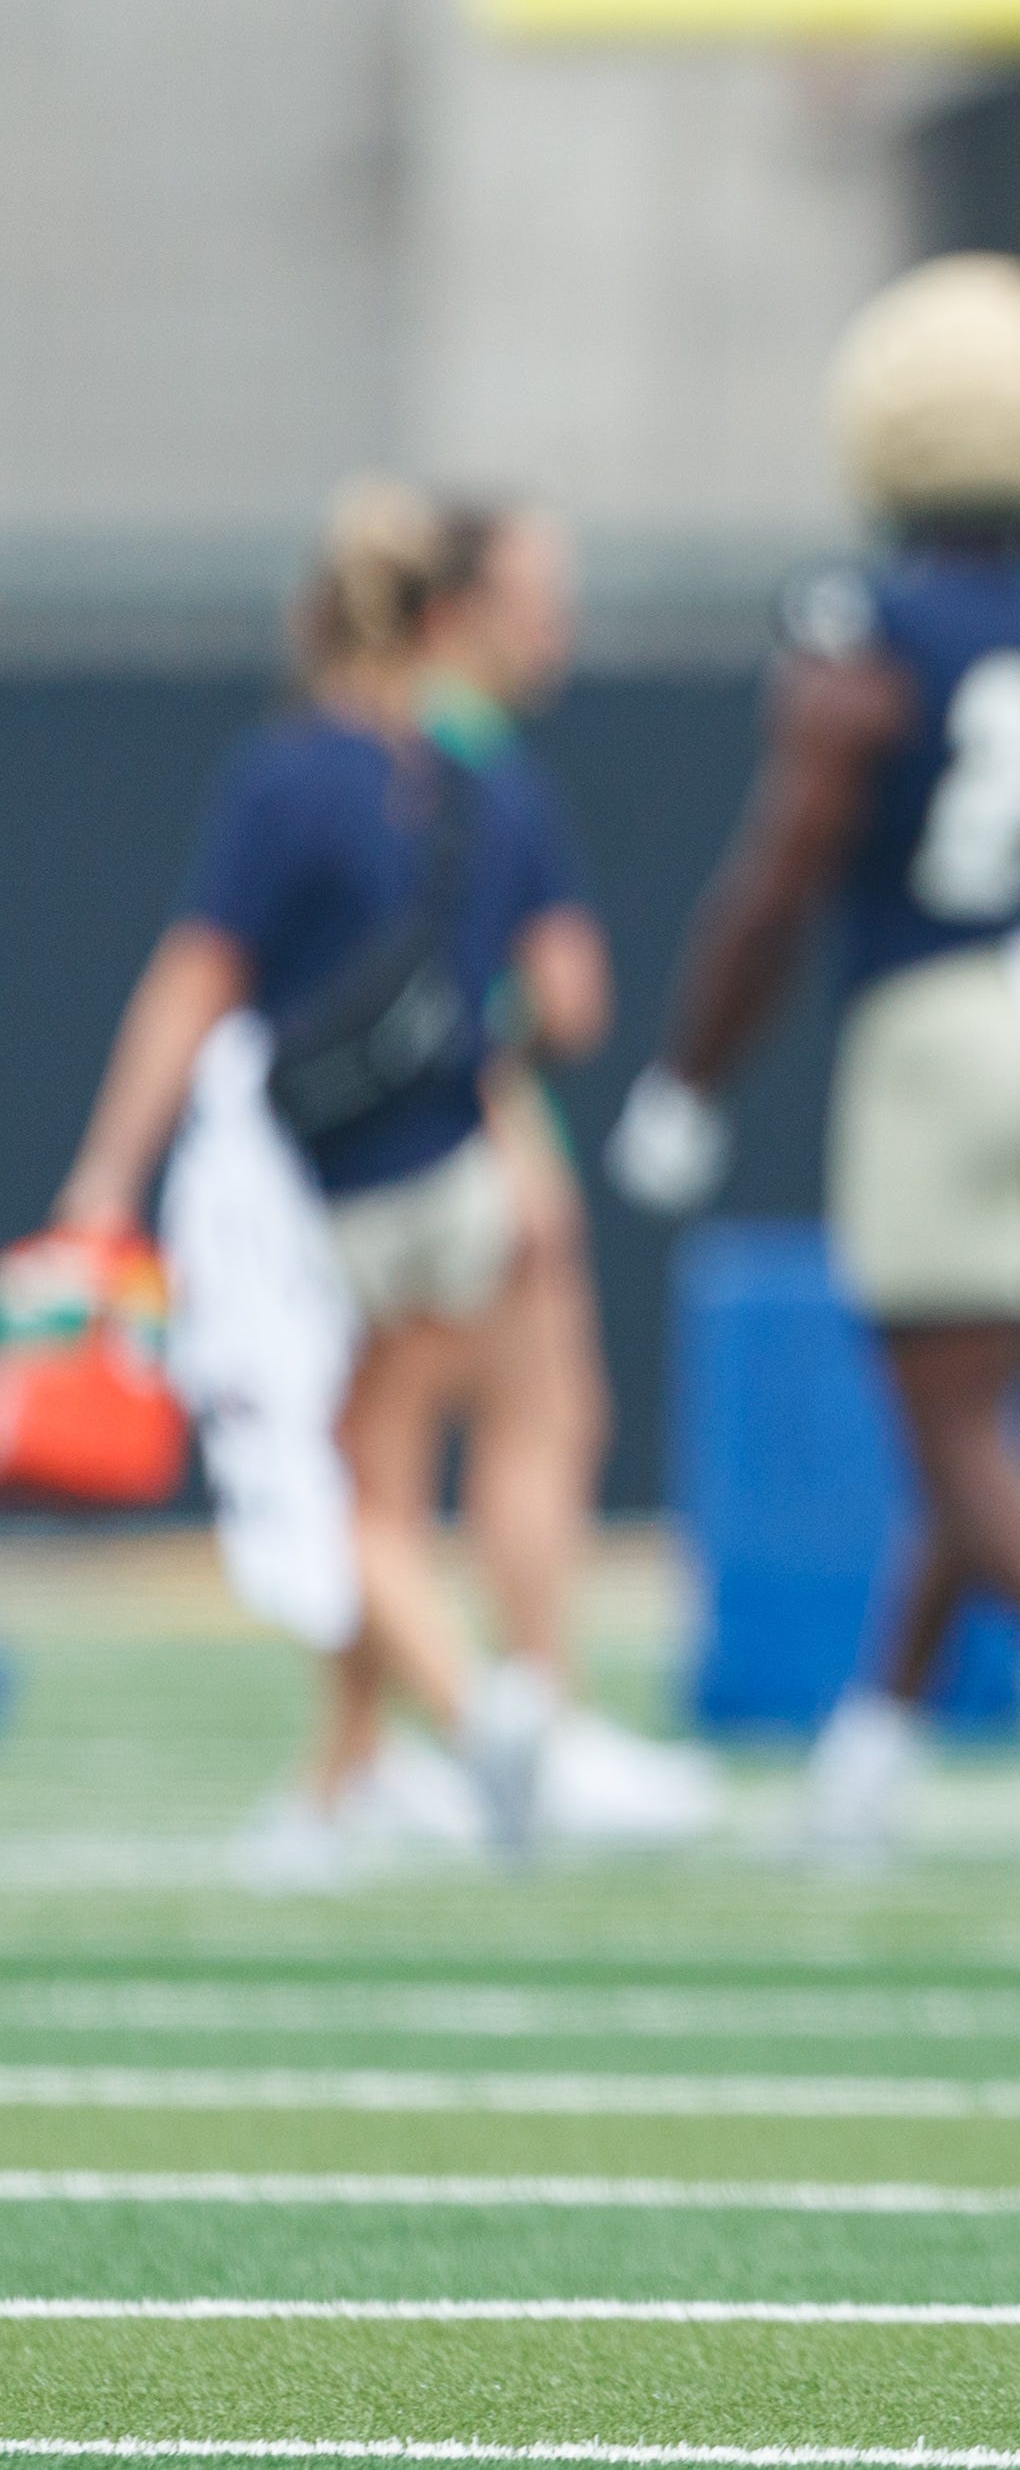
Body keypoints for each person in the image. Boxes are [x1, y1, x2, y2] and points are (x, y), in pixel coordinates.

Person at [601, 253, 1020, 1858]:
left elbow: (784, 864)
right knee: (983, 1418)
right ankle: (869, 1758)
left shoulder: (863, 620)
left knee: (950, 1428)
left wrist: (690, 1071)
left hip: (942, 1025)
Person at [49, 479, 602, 1879]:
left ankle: (490, 1716)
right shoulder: (485, 779)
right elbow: (566, 997)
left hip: (331, 1196)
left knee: (345, 1501)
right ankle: (341, 1776)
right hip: (459, 1175)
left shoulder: (286, 775)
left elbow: (196, 980)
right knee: (387, 1480)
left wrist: (108, 1170)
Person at [419, 500, 723, 1846]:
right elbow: (568, 994)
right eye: (535, 591)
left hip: (356, 1140)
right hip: (470, 1125)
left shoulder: (352, 749)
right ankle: (533, 1712)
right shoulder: (483, 774)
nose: (559, 619)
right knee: (535, 1416)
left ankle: (378, 1749)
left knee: (376, 1447)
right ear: (454, 604)